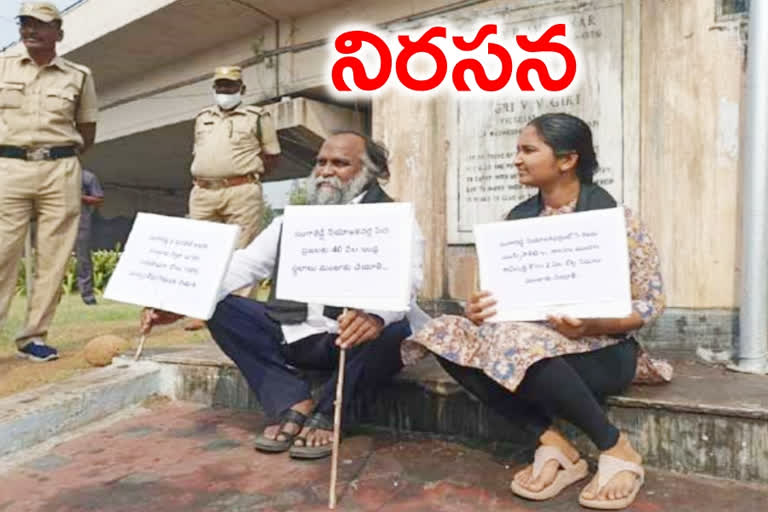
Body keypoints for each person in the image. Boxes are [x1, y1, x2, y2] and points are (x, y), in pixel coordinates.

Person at [402, 113, 669, 510]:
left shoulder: (614, 220)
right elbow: (495, 302)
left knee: (514, 340)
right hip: (525, 347)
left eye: (528, 150)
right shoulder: (517, 221)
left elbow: (649, 303)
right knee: (442, 332)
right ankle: (552, 442)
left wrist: (593, 323)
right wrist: (480, 310)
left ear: (566, 160)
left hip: (603, 351)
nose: (517, 160)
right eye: (517, 151)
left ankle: (616, 448)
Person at [142, 132, 425, 460]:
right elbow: (244, 265)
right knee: (216, 305)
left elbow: (410, 279)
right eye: (321, 162)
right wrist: (181, 301)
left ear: (370, 171)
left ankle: (330, 413)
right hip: (298, 335)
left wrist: (375, 316)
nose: (325, 171)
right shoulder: (292, 221)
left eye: (340, 163)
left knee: (395, 327)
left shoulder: (394, 219)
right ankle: (291, 399)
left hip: (356, 341)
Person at [0, 2, 98, 362]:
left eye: (39, 25)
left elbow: (87, 128)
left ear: (58, 32)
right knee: (1, 253)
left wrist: (60, 156)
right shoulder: (2, 67)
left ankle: (33, 337)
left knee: (53, 258)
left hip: (61, 169)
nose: (30, 30)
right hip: (9, 168)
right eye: (24, 23)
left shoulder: (79, 75)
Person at [184, 65, 281, 330]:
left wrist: (249, 177)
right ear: (214, 88)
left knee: (241, 253)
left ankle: (240, 315)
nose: (225, 91)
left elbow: (271, 155)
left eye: (230, 86)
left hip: (242, 191)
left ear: (242, 89)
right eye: (220, 86)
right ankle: (200, 310)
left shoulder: (257, 117)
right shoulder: (202, 117)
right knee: (200, 251)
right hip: (203, 191)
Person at [76, 169, 104, 305]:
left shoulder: (87, 176)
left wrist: (79, 197)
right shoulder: (54, 175)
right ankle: (51, 298)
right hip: (58, 223)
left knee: (83, 260)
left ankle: (88, 296)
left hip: (81, 223)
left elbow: (98, 199)